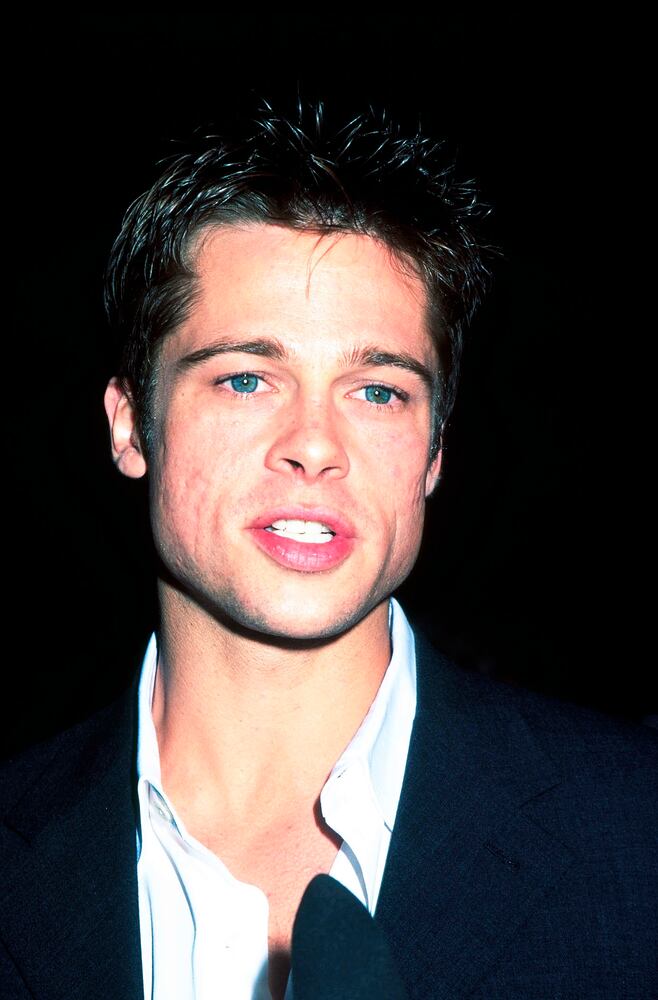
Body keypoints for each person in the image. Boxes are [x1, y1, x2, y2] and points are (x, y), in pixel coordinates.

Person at [1, 101, 656, 1000]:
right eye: (245, 378)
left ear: (434, 451)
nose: (315, 445)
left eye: (378, 391)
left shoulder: (634, 834)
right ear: (129, 425)